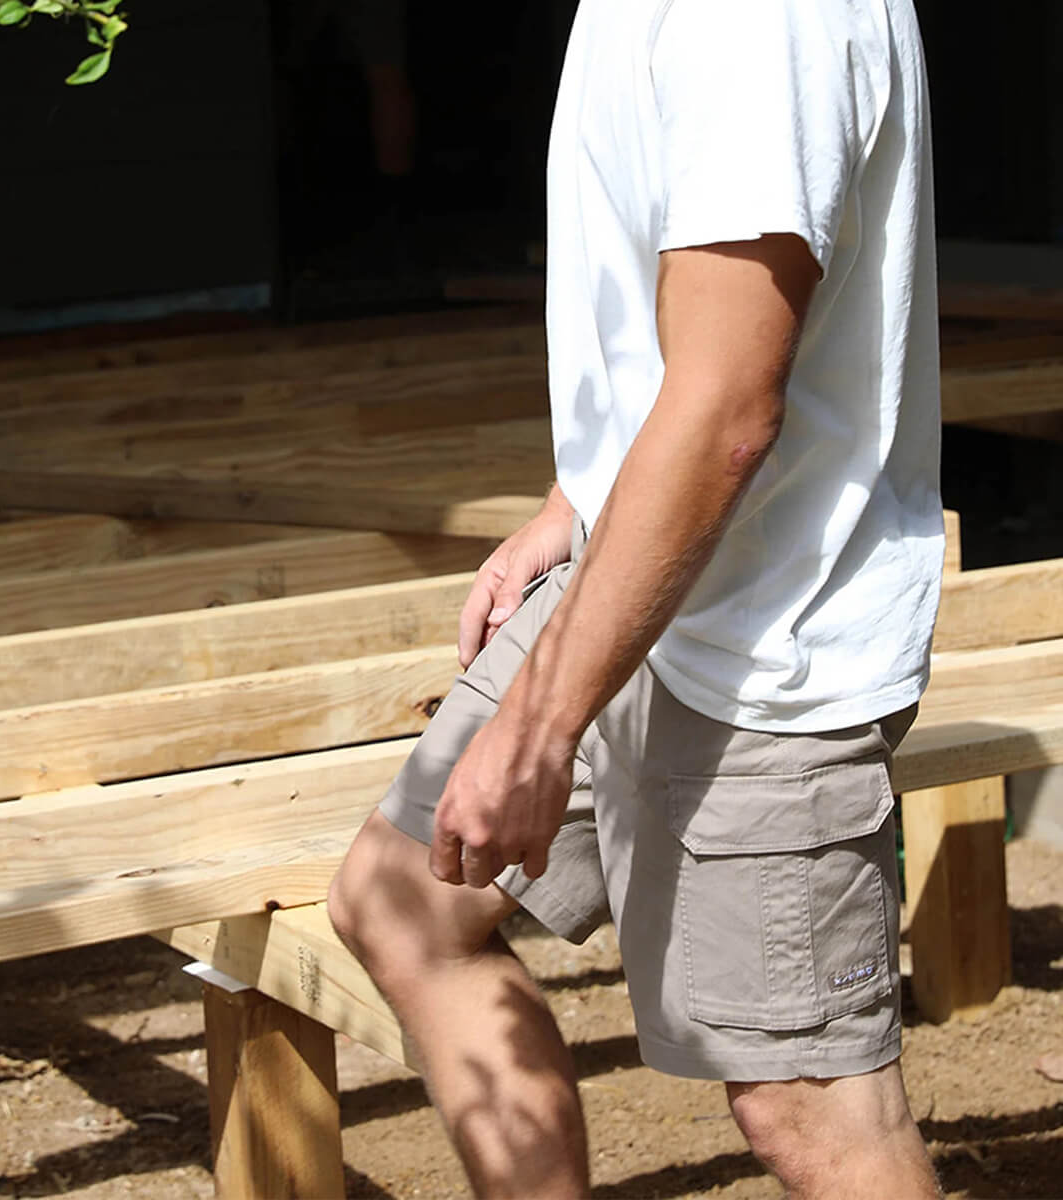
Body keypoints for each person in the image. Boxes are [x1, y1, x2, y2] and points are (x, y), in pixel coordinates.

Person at [328, 0, 945, 1195]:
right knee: (404, 903)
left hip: (767, 639)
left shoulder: (753, 21)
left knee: (810, 1114)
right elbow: (679, 324)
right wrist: (576, 497)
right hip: (648, 577)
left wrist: (538, 724)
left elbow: (727, 407)